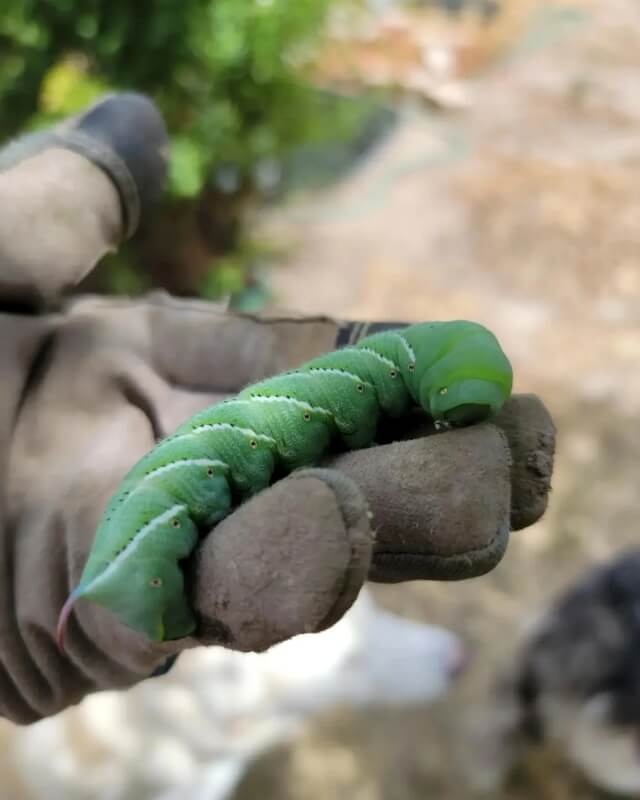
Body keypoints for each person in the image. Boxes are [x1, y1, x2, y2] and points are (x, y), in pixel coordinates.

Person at [0, 93, 556, 725]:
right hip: (138, 541)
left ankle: (125, 578)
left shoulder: (367, 381)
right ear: (427, 379)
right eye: (454, 402)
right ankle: (129, 578)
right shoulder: (360, 386)